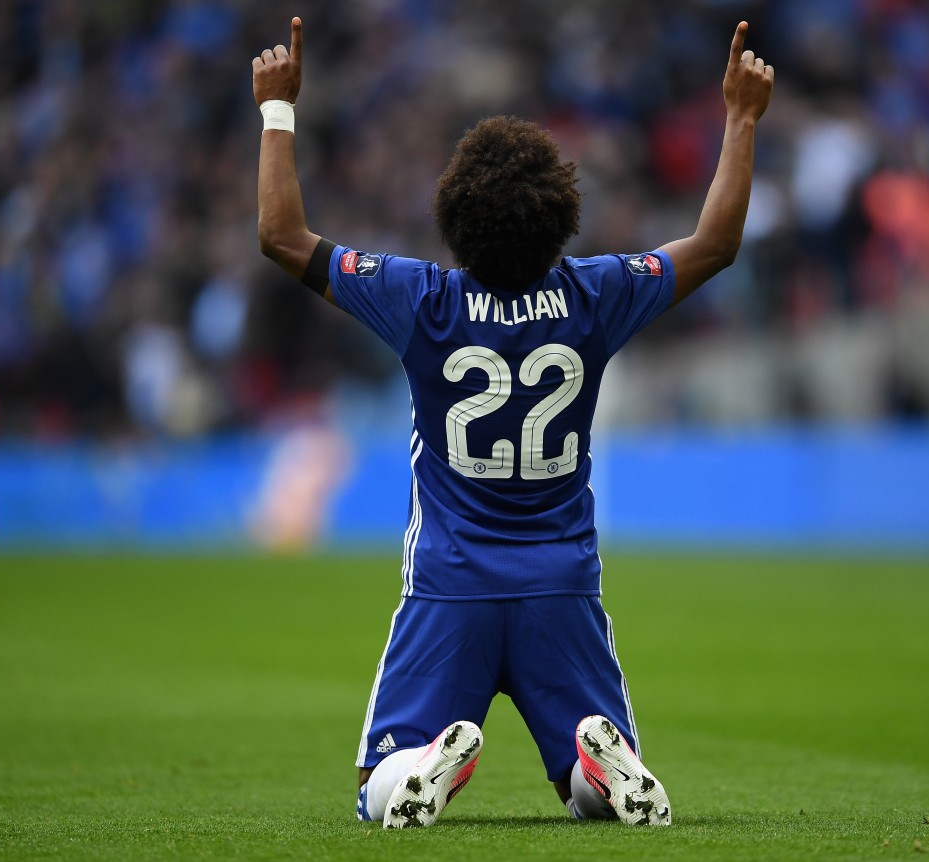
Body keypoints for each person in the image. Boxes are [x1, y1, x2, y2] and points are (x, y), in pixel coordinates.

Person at [253, 16, 773, 828]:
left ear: (455, 215)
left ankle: (425, 765)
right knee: (581, 785)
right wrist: (741, 118)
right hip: (562, 587)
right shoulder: (597, 294)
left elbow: (283, 236)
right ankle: (598, 772)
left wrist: (277, 109)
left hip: (450, 583)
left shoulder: (421, 301)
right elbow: (715, 242)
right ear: (560, 213)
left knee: (376, 784)